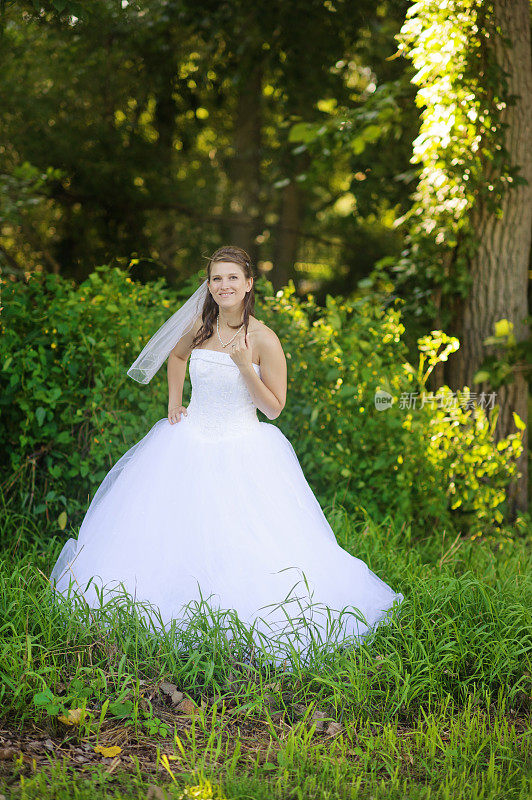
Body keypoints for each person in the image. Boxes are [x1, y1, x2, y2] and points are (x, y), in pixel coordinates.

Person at [50, 245, 404, 667]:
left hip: (243, 447)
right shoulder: (201, 325)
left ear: (249, 283)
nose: (224, 285)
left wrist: (242, 367)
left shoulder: (264, 339)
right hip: (188, 441)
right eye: (216, 278)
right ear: (209, 285)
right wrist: (174, 402)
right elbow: (177, 357)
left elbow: (274, 408)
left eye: (232, 277)